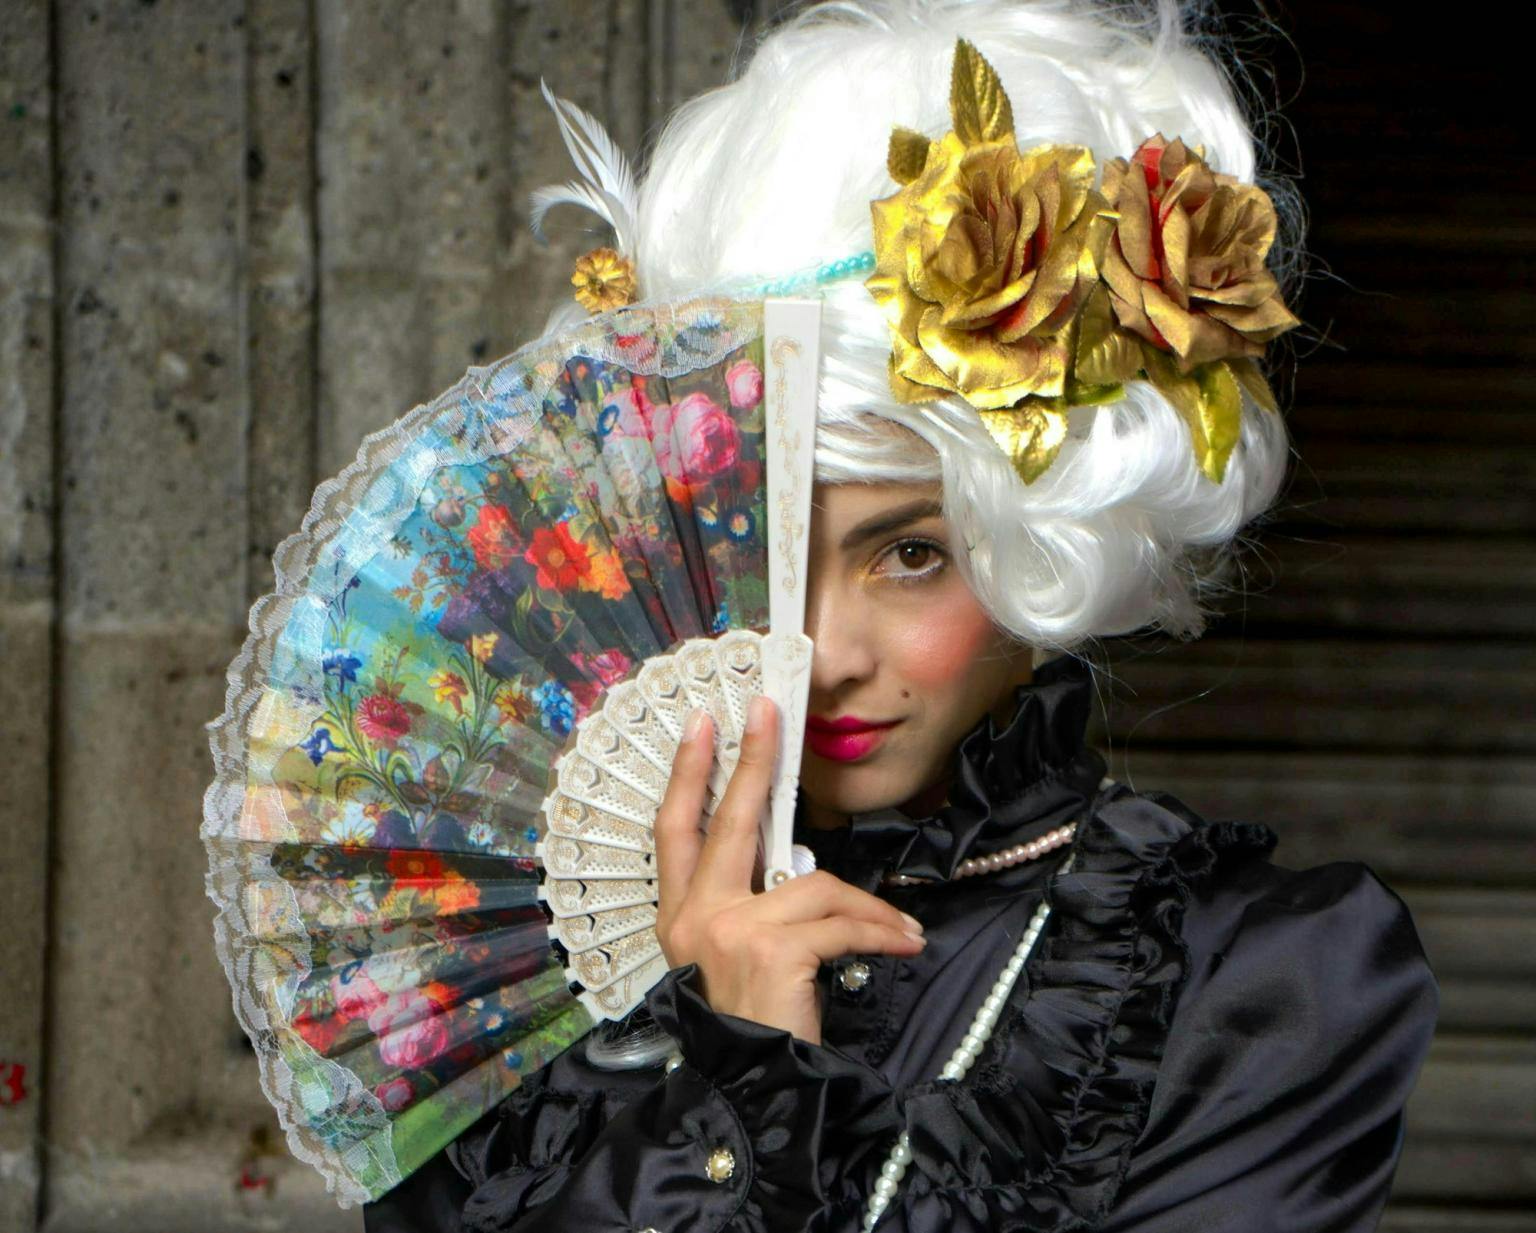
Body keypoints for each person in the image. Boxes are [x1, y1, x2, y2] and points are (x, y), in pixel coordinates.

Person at [363, 0, 1438, 1229]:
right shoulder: (514, 980)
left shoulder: (1252, 982)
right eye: (765, 556)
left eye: (911, 553)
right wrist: (719, 1093)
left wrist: (765, 1089)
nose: (823, 655)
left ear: (1051, 540)